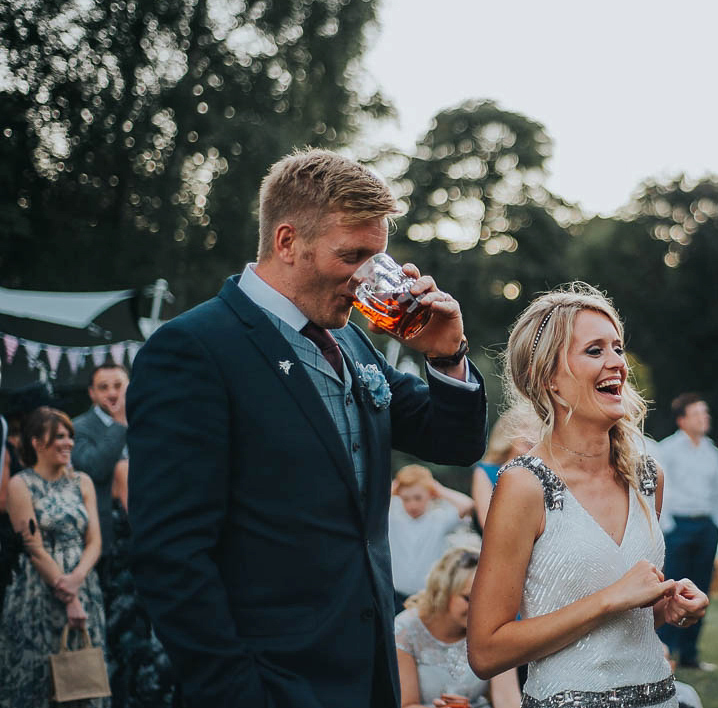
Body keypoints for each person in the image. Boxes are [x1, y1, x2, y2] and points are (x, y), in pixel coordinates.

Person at [126, 149, 488, 708]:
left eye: (377, 257)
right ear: (287, 241)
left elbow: (454, 442)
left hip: (369, 670)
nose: (368, 276)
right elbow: (171, 555)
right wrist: (235, 692)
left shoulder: (347, 338)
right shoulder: (194, 349)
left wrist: (447, 357)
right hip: (269, 678)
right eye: (352, 256)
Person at [467, 283, 708, 708]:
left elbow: (622, 627)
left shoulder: (647, 477)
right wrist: (607, 599)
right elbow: (486, 651)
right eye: (595, 351)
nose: (617, 362)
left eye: (617, 348)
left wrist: (666, 609)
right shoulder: (525, 485)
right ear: (548, 378)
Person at [0, 407, 109, 708]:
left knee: (86, 677)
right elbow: (33, 547)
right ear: (37, 443)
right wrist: (69, 596)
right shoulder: (20, 484)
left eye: (70, 436)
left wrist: (77, 581)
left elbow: (95, 540)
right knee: (42, 683)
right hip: (39, 592)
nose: (68, 443)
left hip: (84, 584)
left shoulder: (82, 481)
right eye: (59, 436)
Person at [395, 544, 519, 708]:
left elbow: (508, 701)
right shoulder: (406, 629)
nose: (478, 609)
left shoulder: (495, 628)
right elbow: (406, 704)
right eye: (468, 599)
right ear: (444, 592)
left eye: (485, 599)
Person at [654, 393, 718, 670]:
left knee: (701, 587)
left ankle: (690, 653)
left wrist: (716, 524)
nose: (703, 418)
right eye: (697, 413)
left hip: (706, 525)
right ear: (682, 419)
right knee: (671, 591)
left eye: (705, 413)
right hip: (677, 526)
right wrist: (668, 527)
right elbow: (663, 490)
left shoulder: (713, 452)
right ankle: (666, 651)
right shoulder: (667, 450)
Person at [389, 465, 474, 612]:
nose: (412, 504)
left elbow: (467, 504)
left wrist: (437, 489)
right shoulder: (392, 518)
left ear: (430, 494)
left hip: (428, 595)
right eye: (406, 499)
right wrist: (394, 487)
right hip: (395, 594)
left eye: (418, 498)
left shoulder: (439, 519)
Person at [71, 363, 129, 562]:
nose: (112, 393)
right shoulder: (78, 428)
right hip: (104, 533)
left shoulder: (144, 421)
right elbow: (94, 468)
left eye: (118, 385)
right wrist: (120, 423)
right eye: (104, 387)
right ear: (91, 393)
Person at [471, 405, 539, 530]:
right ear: (508, 431)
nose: (531, 436)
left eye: (537, 430)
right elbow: (487, 523)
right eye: (524, 427)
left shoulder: (545, 472)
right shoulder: (485, 471)